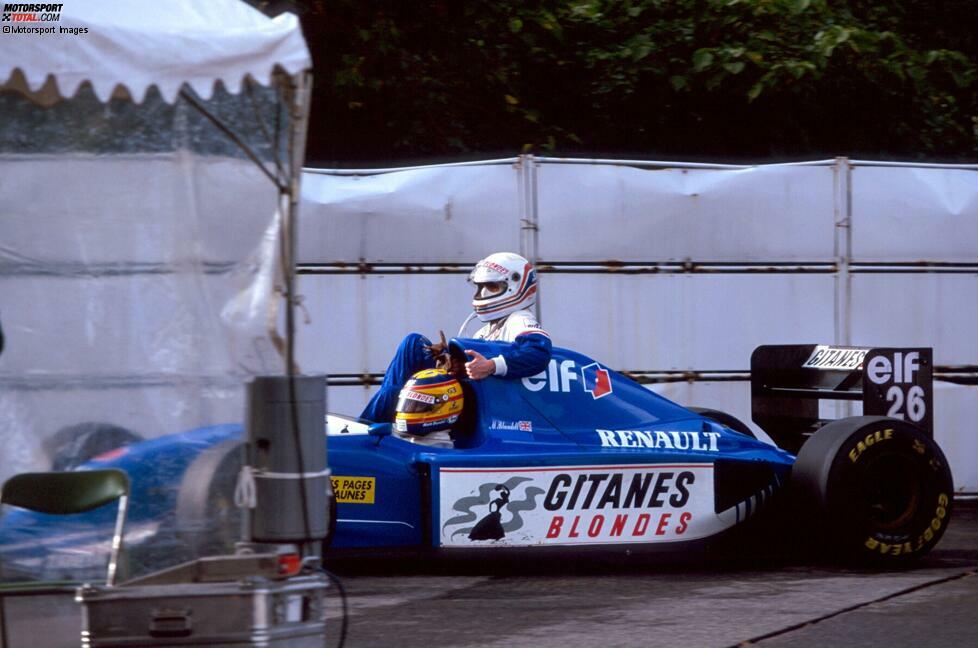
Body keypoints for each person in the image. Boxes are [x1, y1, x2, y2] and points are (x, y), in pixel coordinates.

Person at [359, 252, 552, 423]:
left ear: (515, 287)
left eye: (491, 287)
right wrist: (449, 360)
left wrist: (491, 366)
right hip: (473, 393)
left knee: (398, 384)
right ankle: (374, 424)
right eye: (480, 287)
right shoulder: (484, 331)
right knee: (414, 345)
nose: (482, 293)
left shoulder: (519, 319)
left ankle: (368, 427)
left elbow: (539, 350)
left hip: (490, 405)